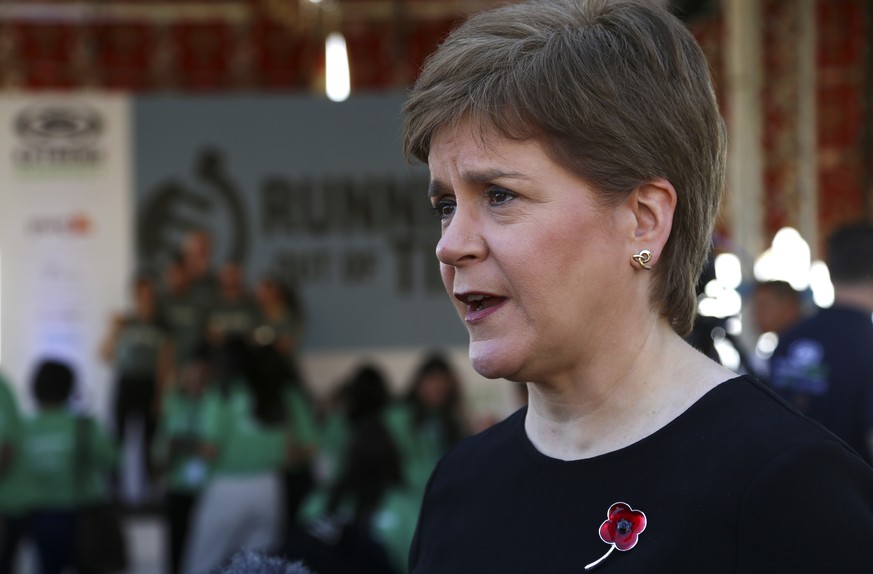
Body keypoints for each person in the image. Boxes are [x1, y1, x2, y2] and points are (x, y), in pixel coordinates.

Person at [401, 1, 873, 572]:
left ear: (643, 220)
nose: (451, 245)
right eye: (445, 205)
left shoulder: (789, 490)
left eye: (499, 195)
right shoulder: (460, 485)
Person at [769, 223, 873, 465]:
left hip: (789, 490)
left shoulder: (790, 338)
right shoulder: (868, 345)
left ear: (828, 266)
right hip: (853, 497)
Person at [20, 360, 117, 574]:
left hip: (40, 516)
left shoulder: (25, 429)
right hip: (82, 515)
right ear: (71, 389)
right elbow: (112, 459)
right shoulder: (84, 426)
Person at [99, 275, 170, 502]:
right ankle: (115, 489)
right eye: (141, 293)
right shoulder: (125, 322)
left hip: (149, 384)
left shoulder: (162, 325)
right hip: (126, 382)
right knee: (118, 437)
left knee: (151, 441)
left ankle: (151, 490)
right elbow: (105, 355)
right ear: (135, 295)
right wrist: (113, 330)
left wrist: (161, 395)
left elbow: (165, 363)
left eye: (149, 293)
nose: (145, 298)